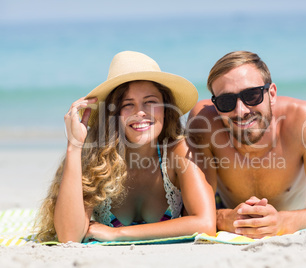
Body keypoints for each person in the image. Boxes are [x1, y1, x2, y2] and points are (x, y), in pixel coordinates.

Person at [35, 51, 216, 243]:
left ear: (166, 108)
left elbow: (205, 224)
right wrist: (74, 145)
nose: (140, 112)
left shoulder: (178, 150)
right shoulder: (97, 158)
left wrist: (116, 233)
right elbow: (69, 236)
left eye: (150, 102)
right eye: (127, 104)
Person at [187, 51, 306, 239]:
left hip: (298, 210)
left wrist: (282, 222)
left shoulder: (303, 120)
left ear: (271, 94)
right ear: (216, 105)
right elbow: (192, 210)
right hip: (227, 208)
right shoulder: (204, 123)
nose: (240, 111)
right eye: (226, 101)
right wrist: (224, 218)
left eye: (251, 95)